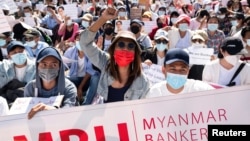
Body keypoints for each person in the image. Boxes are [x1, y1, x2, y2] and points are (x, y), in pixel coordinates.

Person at [79, 7, 150, 103]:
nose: (125, 49)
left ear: (135, 53)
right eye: (120, 44)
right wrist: (103, 19)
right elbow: (84, 42)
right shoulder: (105, 63)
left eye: (131, 45)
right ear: (113, 49)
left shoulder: (143, 82)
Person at [24, 47, 77, 119]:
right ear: (37, 66)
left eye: (53, 65)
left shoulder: (68, 88)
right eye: (44, 64)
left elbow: (68, 111)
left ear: (59, 67)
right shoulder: (30, 88)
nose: (48, 69)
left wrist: (51, 110)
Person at [144, 48, 214, 98]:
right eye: (172, 69)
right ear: (163, 70)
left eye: (182, 70)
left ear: (188, 72)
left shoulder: (202, 90)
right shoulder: (153, 94)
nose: (177, 73)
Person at [0, 41, 36, 106]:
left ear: (25, 52)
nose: (18, 54)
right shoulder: (5, 67)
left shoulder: (35, 67)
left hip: (30, 101)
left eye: (20, 51)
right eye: (14, 53)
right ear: (9, 56)